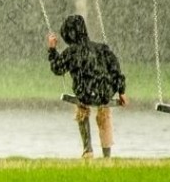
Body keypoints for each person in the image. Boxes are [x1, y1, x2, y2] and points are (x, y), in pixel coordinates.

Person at [47, 14, 129, 159]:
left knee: (82, 108)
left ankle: (88, 149)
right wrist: (121, 91)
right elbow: (115, 69)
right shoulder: (102, 49)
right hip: (105, 93)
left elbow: (57, 68)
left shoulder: (71, 52)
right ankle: (107, 154)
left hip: (84, 93)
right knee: (104, 112)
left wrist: (52, 50)